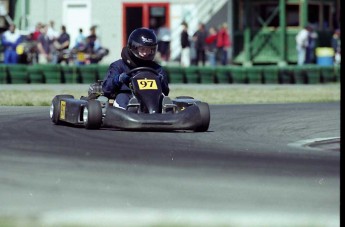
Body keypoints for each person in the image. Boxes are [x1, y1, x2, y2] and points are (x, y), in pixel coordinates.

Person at [99, 27, 169, 109]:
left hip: (152, 100)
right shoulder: (119, 66)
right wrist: (118, 79)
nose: (145, 53)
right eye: (142, 49)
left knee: (163, 98)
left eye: (149, 49)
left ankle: (166, 113)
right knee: (122, 97)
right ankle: (129, 112)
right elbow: (106, 89)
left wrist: (161, 81)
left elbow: (165, 92)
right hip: (127, 98)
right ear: (133, 47)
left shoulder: (157, 69)